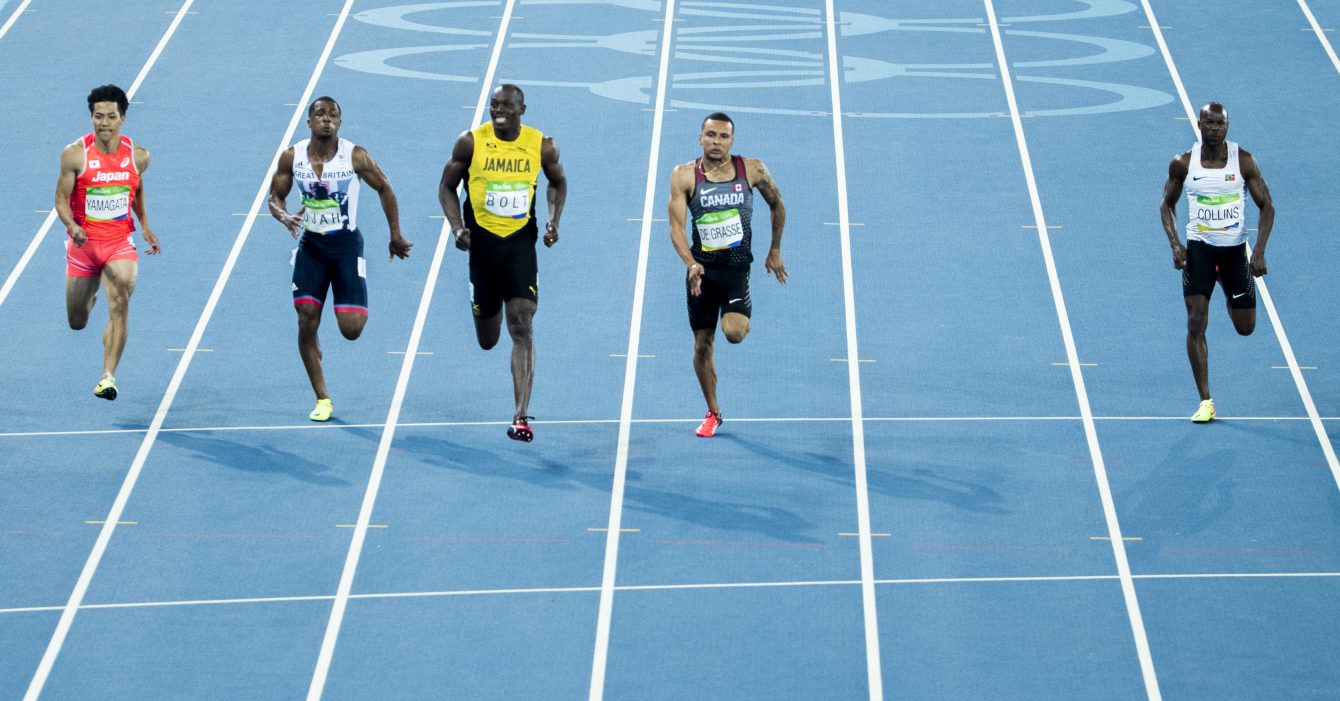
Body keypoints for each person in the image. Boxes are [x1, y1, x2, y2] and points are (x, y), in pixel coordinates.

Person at [269, 96, 412, 422]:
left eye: (333, 115)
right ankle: (323, 398)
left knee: (352, 329)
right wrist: (285, 216)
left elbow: (385, 187)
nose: (327, 119)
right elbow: (274, 196)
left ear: (340, 122)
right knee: (306, 318)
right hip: (312, 248)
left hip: (346, 247)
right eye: (320, 114)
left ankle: (325, 327)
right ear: (309, 121)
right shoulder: (293, 156)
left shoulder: (355, 156)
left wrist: (395, 235)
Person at [438, 84, 567, 442]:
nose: (499, 110)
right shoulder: (470, 142)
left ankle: (520, 416)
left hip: (519, 245)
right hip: (482, 247)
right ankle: (481, 306)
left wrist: (555, 219)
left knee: (522, 324)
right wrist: (457, 228)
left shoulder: (541, 145)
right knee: (488, 338)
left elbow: (558, 182)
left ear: (521, 109)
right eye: (494, 104)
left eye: (506, 105)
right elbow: (447, 187)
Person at [668, 112, 787, 438]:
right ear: (700, 137)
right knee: (702, 346)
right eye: (710, 135)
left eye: (723, 136)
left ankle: (738, 315)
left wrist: (774, 249)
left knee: (733, 332)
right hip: (702, 272)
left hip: (736, 270)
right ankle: (713, 411)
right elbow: (676, 227)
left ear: (731, 141)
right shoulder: (683, 176)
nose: (716, 141)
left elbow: (777, 204)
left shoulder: (751, 169)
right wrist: (690, 263)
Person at [1159, 102, 1273, 423]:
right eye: (1209, 124)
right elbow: (1166, 205)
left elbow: (1268, 207)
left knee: (1246, 328)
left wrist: (1259, 250)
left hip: (1234, 252)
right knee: (1196, 321)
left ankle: (1227, 290)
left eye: (1220, 124)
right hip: (1200, 252)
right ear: (1199, 125)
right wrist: (1175, 245)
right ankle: (1206, 401)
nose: (1214, 129)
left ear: (1227, 126)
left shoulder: (1244, 162)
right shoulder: (1183, 163)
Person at [55, 84, 160, 401]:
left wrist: (144, 226)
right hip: (84, 246)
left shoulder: (138, 156)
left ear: (122, 118)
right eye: (98, 116)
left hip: (118, 244)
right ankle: (90, 296)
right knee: (77, 321)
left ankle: (108, 376)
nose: (104, 122)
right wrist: (72, 226)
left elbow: (137, 189)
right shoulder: (75, 154)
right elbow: (60, 200)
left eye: (110, 116)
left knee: (121, 302)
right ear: (91, 118)